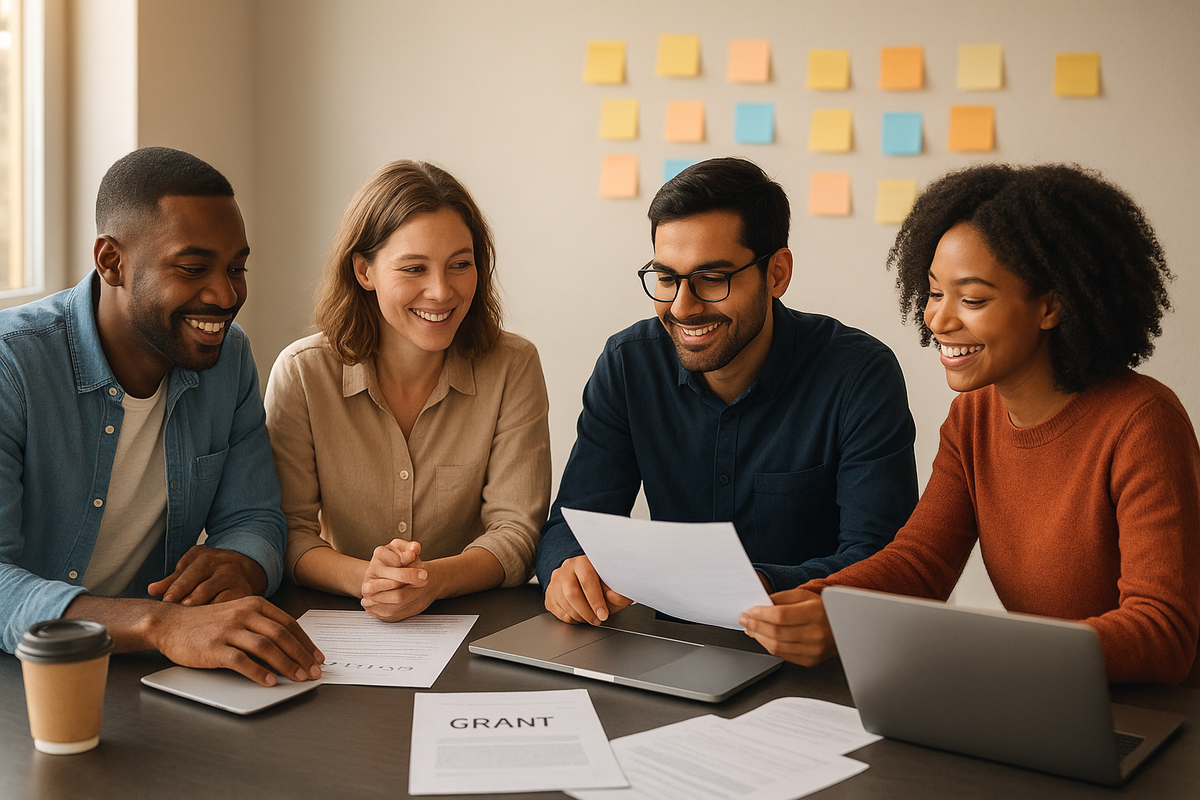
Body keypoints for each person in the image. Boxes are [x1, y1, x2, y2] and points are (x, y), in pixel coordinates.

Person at [740, 163, 1200, 685]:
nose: (938, 320)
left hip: (1154, 718)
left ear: (1052, 305)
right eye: (935, 293)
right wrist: (822, 602)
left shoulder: (1143, 424)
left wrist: (971, 647)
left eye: (972, 299)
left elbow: (1163, 633)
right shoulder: (974, 416)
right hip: (1037, 697)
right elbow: (920, 563)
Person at [536, 157, 919, 625]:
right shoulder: (628, 364)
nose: (683, 306)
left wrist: (758, 587)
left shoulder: (859, 376)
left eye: (712, 279)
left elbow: (880, 561)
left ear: (776, 274)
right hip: (667, 646)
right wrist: (567, 568)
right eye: (666, 278)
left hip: (811, 648)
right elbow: (571, 523)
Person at [0, 146, 323, 686]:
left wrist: (242, 563)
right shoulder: (13, 364)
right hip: (27, 682)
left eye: (236, 268)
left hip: (146, 677)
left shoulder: (229, 359)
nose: (225, 294)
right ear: (111, 262)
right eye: (194, 268)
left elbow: (254, 517)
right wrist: (160, 624)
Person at [264, 160, 550, 622]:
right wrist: (370, 580)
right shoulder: (302, 374)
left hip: (474, 623)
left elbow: (516, 532)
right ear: (364, 271)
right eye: (414, 268)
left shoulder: (513, 366)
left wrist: (430, 581)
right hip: (340, 622)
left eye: (460, 264)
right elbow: (289, 533)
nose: (441, 291)